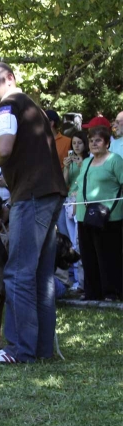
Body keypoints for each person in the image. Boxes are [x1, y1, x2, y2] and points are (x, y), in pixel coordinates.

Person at [0, 62, 67, 364]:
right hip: (50, 193)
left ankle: (19, 350)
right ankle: (40, 349)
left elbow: (2, 149)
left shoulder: (7, 107)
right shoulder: (33, 108)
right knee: (41, 275)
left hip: (32, 194)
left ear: (9, 78)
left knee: (18, 273)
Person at [75, 125, 123, 301]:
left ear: (107, 143)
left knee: (109, 256)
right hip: (84, 216)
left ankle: (112, 292)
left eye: (98, 140)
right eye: (91, 140)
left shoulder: (115, 160)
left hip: (109, 217)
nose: (93, 143)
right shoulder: (86, 161)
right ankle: (92, 292)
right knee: (88, 256)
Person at [62, 130, 89, 290]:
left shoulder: (88, 160)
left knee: (80, 240)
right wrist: (66, 167)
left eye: (79, 143)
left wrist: (81, 165)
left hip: (81, 202)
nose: (77, 146)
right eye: (74, 143)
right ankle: (76, 279)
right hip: (69, 201)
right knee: (72, 240)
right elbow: (64, 183)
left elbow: (86, 180)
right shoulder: (70, 161)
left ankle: (83, 280)